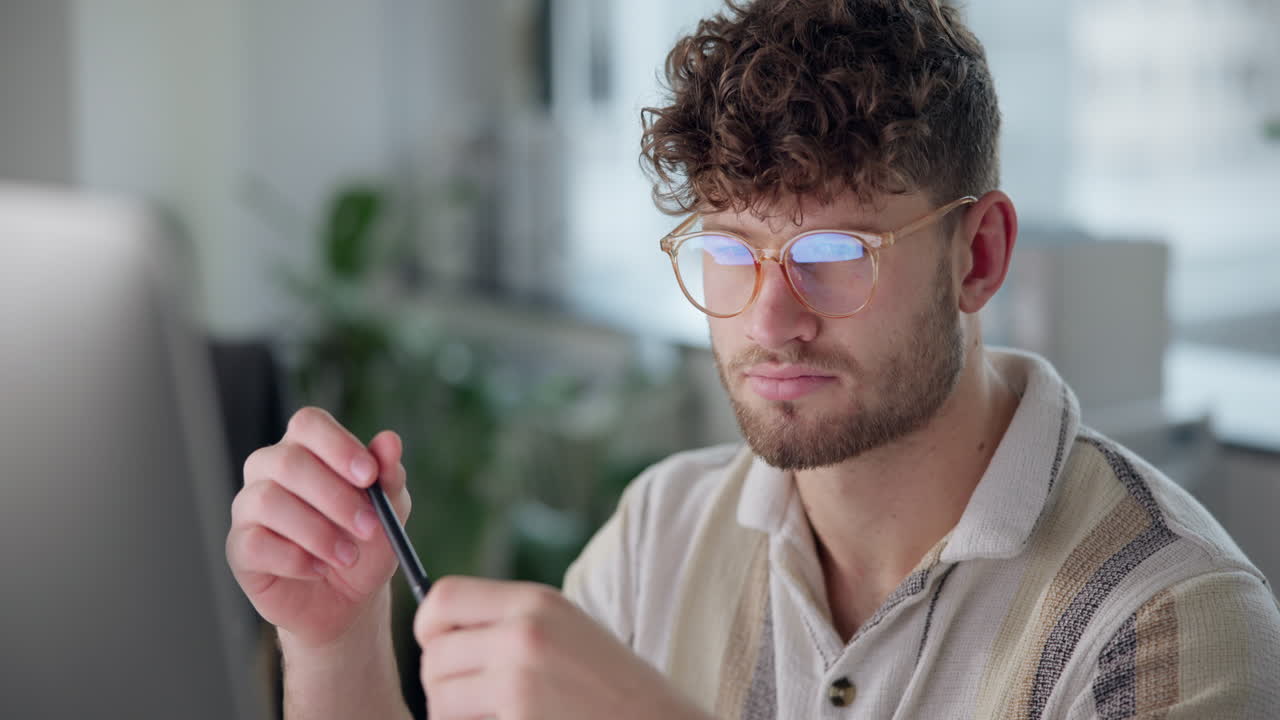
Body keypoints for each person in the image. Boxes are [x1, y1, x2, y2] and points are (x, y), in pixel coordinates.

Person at [226, 1, 1280, 718]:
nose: (770, 319)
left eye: (833, 255)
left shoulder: (1167, 620)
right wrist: (335, 643)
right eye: (730, 252)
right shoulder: (659, 535)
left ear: (980, 254)